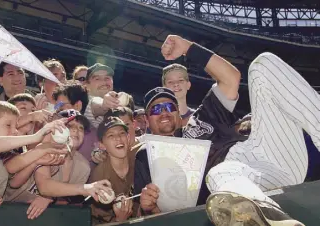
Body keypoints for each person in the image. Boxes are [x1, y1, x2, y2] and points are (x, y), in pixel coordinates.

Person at [140, 35, 319, 226]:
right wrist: (150, 207)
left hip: (266, 150)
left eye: (170, 107)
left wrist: (187, 47)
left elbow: (231, 78)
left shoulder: (201, 118)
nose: (165, 113)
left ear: (178, 111)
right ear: (146, 118)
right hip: (239, 180)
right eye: (157, 109)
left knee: (262, 65)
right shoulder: (145, 155)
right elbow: (167, 208)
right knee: (220, 173)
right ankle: (271, 219)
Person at [90, 116, 140, 224]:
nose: (118, 138)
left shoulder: (140, 160)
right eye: (111, 135)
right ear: (102, 145)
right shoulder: (99, 176)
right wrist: (120, 220)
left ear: (128, 137)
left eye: (122, 133)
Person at [52, 81, 97, 168]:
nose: (57, 109)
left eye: (61, 105)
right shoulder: (54, 129)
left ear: (77, 106)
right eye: (56, 106)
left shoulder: (91, 137)